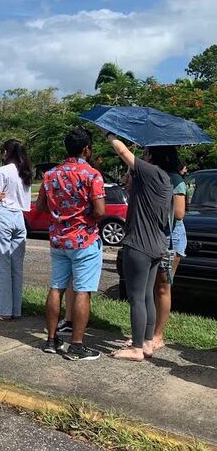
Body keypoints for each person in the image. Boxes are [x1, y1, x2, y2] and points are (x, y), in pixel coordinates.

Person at [37, 129, 106, 361]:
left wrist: (61, 213)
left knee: (56, 286)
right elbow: (100, 211)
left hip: (58, 239)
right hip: (84, 240)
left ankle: (51, 339)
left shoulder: (50, 174)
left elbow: (41, 206)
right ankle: (77, 344)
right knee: (82, 290)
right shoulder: (92, 175)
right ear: (86, 149)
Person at [105, 133, 175, 362]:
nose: (142, 156)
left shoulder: (151, 172)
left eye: (146, 152)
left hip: (139, 244)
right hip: (156, 245)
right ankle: (146, 341)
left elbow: (124, 153)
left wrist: (109, 134)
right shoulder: (165, 179)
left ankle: (136, 348)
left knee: (136, 297)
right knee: (146, 296)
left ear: (153, 156)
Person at [0, 139, 33, 321]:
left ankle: (4, 310)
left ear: (6, 153)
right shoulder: (25, 171)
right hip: (19, 217)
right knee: (16, 267)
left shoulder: (3, 171)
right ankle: (15, 309)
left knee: (2, 263)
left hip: (3, 215)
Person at [151, 162, 188, 350]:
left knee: (163, 288)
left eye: (148, 153)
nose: (145, 156)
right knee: (152, 287)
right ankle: (150, 332)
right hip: (154, 236)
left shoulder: (175, 180)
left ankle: (158, 335)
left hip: (171, 238)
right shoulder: (149, 175)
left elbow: (179, 213)